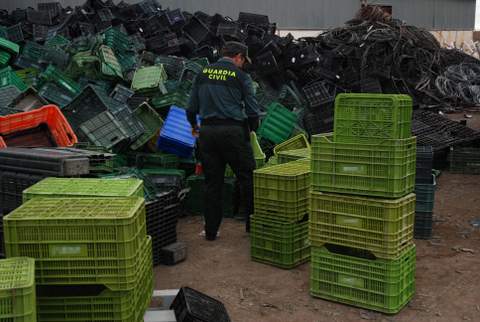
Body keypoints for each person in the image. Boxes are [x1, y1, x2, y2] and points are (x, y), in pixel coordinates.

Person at [187, 41, 261, 241]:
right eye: (243, 60)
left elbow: (191, 108)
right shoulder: (241, 76)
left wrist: (195, 127)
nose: (243, 64)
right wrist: (253, 129)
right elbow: (253, 109)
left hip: (208, 133)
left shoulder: (202, 74)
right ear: (238, 56)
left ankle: (211, 231)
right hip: (233, 132)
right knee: (247, 178)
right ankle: (252, 226)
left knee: (212, 183)